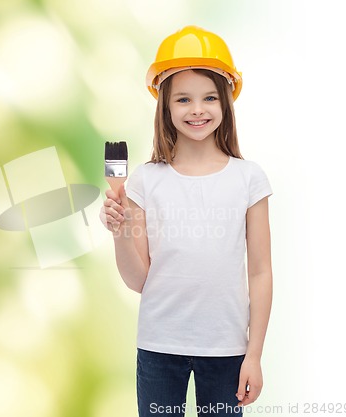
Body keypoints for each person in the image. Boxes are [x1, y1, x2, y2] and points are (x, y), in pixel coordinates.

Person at [102, 26, 273, 417]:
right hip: (160, 347)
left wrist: (255, 354)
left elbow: (261, 272)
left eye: (209, 97)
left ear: (226, 100)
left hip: (228, 350)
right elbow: (139, 281)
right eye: (183, 99)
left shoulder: (249, 178)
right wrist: (120, 231)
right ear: (165, 105)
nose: (197, 109)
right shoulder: (145, 180)